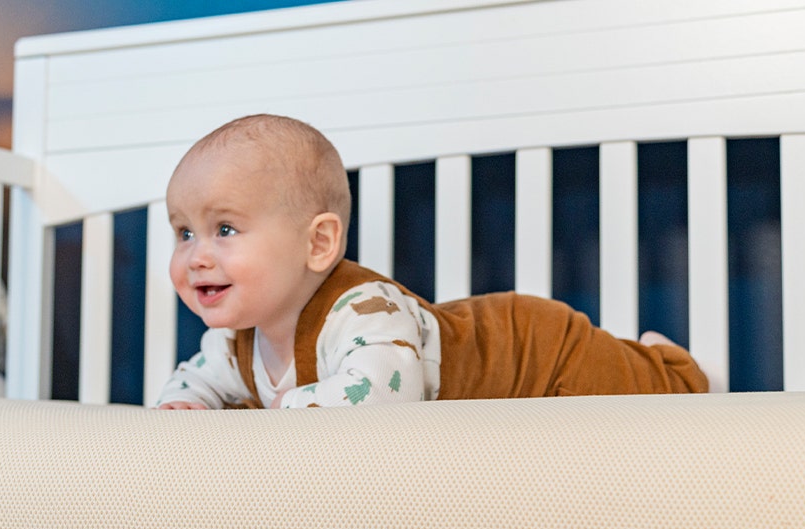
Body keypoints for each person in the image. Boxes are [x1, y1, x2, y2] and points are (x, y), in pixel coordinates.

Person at [152, 114, 707, 410]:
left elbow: (382, 395)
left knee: (640, 389)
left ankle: (669, 362)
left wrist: (280, 410)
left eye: (224, 229)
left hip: (530, 350)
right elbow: (192, 384)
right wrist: (186, 408)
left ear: (318, 244)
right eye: (183, 232)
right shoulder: (234, 344)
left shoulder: (365, 311)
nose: (196, 256)